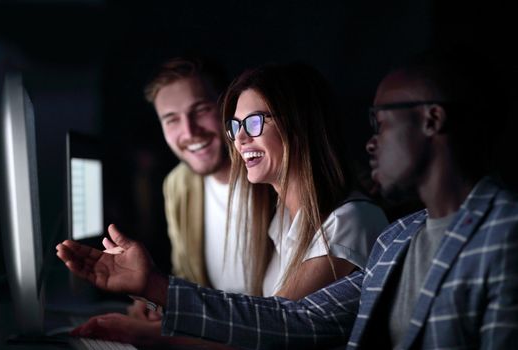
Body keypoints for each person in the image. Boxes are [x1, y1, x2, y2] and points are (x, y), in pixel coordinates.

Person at [58, 49, 518, 349]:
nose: (372, 140)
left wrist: (149, 328)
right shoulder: (400, 236)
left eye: (381, 123)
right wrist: (153, 288)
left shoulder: (501, 232)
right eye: (236, 127)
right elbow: (293, 320)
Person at [76, 57, 250, 346]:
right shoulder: (178, 184)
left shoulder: (267, 179)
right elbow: (191, 283)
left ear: (228, 108)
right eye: (172, 119)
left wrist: (153, 335)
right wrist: (160, 303)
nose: (190, 131)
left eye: (202, 110)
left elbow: (278, 321)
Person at [221, 63, 388, 298]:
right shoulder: (281, 219)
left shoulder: (348, 221)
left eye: (255, 122)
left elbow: (274, 325)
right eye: (235, 125)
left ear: (301, 124)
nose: (239, 138)